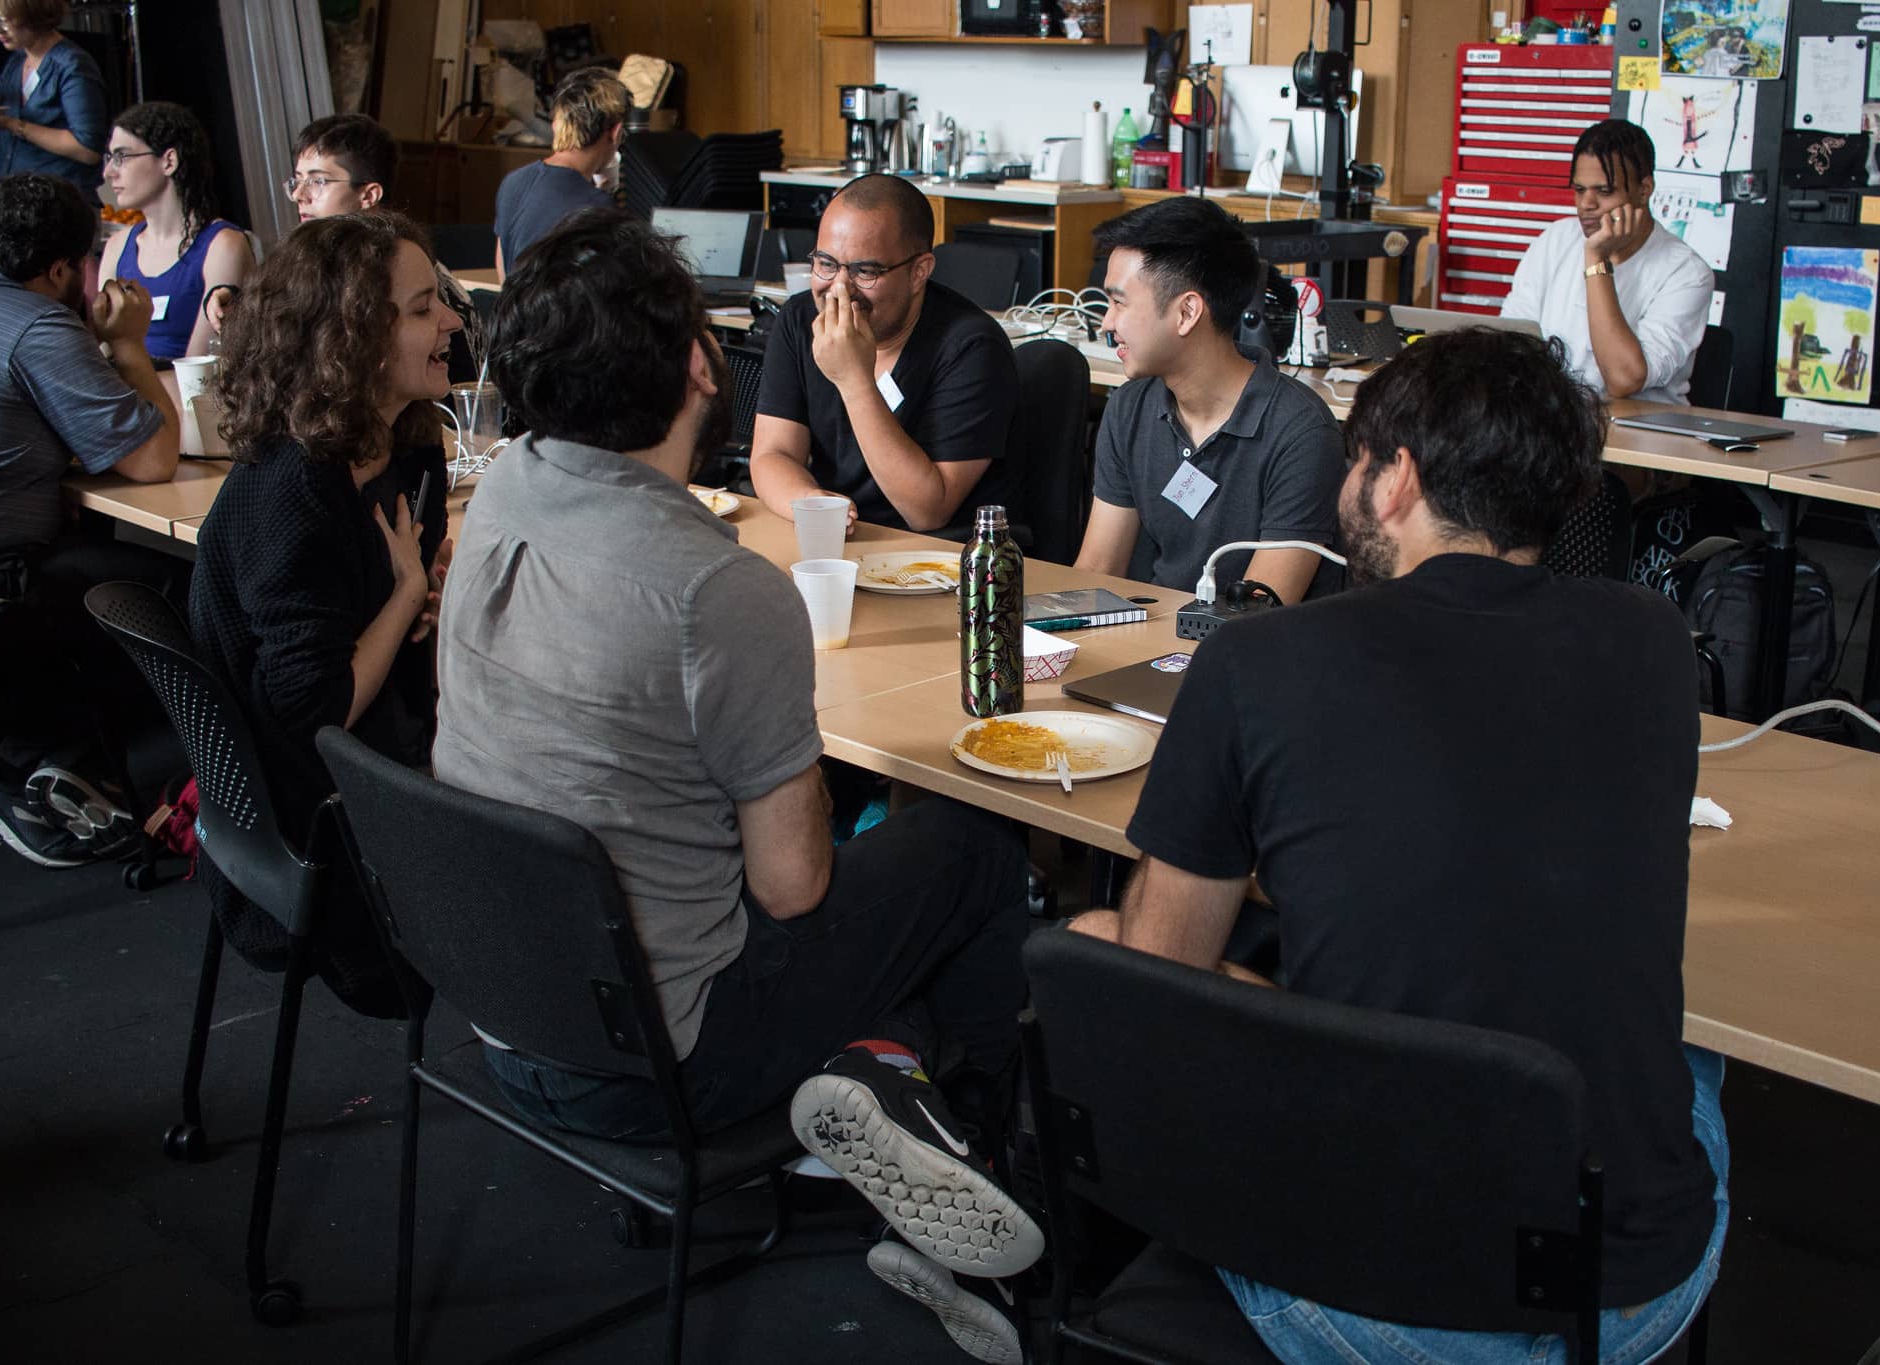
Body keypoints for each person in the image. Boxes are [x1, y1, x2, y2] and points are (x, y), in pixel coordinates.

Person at [432, 209, 1040, 1362]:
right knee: (964, 847)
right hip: (662, 1064)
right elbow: (798, 887)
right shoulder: (715, 592)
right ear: (702, 364)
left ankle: (885, 1076)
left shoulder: (500, 489)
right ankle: (980, 1178)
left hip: (501, 1009)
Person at [1071, 328, 1728, 1365]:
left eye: (1356, 461)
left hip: (1360, 1301)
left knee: (1101, 941)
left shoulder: (1256, 660)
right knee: (1696, 1055)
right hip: (1629, 1295)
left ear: (1396, 480)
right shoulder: (1651, 640)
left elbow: (1164, 982)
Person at [189, 211, 456, 1015]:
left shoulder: (409, 444)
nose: (449, 321)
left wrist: (427, 599)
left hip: (383, 751)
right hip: (321, 819)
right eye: (420, 310)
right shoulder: (293, 486)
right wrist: (408, 594)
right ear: (353, 339)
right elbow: (312, 708)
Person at [0, 171, 180, 867]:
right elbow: (154, 459)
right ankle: (53, 762)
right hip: (5, 580)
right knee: (183, 586)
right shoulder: (37, 326)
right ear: (64, 267)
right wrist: (129, 343)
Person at [1073, 196, 1344, 604]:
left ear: (1187, 313)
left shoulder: (1301, 431)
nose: (1107, 323)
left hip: (1247, 657)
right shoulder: (1129, 407)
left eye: (1118, 302)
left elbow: (1259, 612)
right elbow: (1098, 571)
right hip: (1150, 642)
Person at [749, 173, 1016, 533]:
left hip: (938, 559)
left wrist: (855, 380)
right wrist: (809, 503)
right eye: (826, 264)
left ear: (919, 271)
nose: (839, 289)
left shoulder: (972, 347)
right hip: (844, 541)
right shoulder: (799, 319)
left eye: (865, 271)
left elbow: (927, 511)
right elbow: (772, 454)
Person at [1500, 119, 1713, 404]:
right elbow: (1509, 349)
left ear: (1644, 189)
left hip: (1637, 438)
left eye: (1604, 191)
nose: (1586, 204)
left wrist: (1596, 259)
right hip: (1554, 426)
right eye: (1579, 190)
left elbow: (1623, 379)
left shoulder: (1686, 272)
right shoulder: (1555, 239)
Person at [289, 112, 481, 382]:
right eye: (297, 179)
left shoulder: (408, 274)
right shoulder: (323, 264)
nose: (299, 195)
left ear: (369, 195)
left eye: (318, 181)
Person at [101, 101, 255, 361]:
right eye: (109, 158)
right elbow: (103, 352)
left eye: (122, 157)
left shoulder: (223, 245)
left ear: (169, 161)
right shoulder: (116, 246)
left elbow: (197, 375)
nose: (108, 172)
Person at [492, 66, 626, 275]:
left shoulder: (513, 182)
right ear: (615, 132)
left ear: (556, 125)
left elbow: (503, 268)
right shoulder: (597, 207)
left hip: (512, 308)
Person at [0, 0, 107, 196]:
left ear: (33, 15)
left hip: (61, 204)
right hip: (19, 200)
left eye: (3, 20)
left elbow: (88, 150)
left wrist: (13, 125)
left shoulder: (72, 65)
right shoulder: (18, 60)